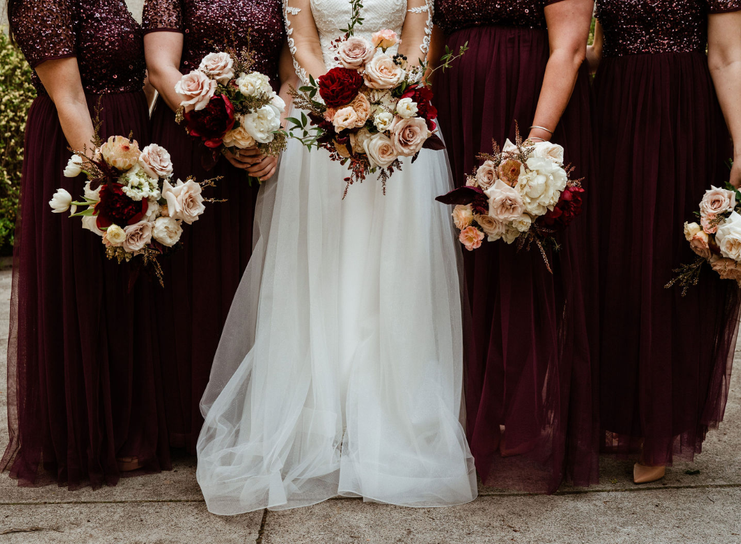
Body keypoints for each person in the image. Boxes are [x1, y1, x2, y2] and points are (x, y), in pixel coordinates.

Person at [195, 0, 477, 515]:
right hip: (321, 136)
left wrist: (386, 101)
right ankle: (321, 427)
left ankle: (387, 422)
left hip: (399, 127)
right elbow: (303, 45)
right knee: (321, 278)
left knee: (391, 275)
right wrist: (342, 106)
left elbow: (416, 45)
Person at [431, 0, 599, 493]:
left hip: (525, 104)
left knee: (525, 258)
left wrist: (534, 145)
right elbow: (435, 33)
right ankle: (479, 408)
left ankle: (526, 417)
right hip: (459, 106)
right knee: (468, 248)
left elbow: (567, 48)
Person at [1, 0, 170, 489]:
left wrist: (142, 158)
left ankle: (125, 427)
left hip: (123, 140)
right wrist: (111, 184)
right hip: (80, 152)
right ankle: (88, 436)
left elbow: (135, 76)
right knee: (86, 288)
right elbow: (69, 99)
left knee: (124, 289)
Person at [588, 0, 741, 484]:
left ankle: (663, 426)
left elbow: (727, 55)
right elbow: (597, 46)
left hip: (682, 110)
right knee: (619, 260)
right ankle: (622, 413)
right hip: (613, 109)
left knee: (668, 260)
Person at [142, 0, 287, 453]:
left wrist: (275, 134)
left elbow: (292, 70)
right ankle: (186, 418)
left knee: (258, 276)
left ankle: (255, 414)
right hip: (192, 145)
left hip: (259, 151)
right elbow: (160, 68)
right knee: (193, 280)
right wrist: (218, 130)